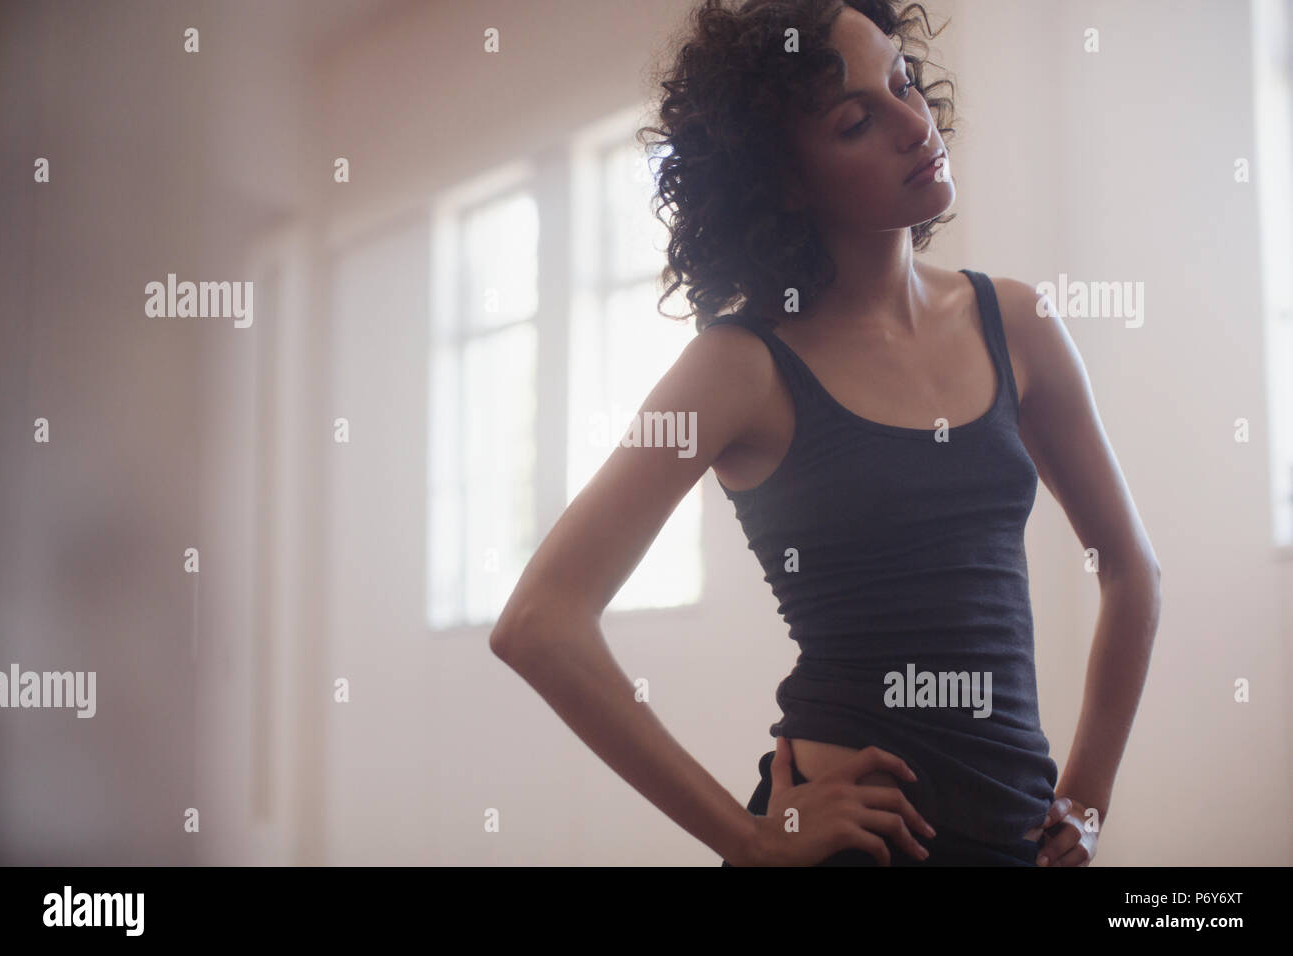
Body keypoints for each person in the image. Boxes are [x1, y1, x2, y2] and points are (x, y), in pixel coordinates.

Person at [489, 0, 1160, 867]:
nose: (914, 124)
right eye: (856, 120)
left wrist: (1090, 797)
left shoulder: (1018, 322)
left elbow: (1132, 570)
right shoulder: (740, 367)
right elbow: (541, 622)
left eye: (904, 82)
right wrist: (749, 837)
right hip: (854, 846)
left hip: (1013, 837)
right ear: (785, 180)